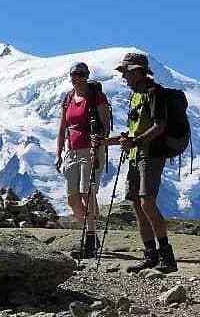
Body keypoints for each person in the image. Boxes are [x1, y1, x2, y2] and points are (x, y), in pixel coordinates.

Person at [102, 52, 177, 273]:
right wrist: (113, 141)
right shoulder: (135, 96)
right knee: (137, 205)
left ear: (136, 71)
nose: (124, 77)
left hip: (151, 155)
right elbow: (136, 128)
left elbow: (159, 126)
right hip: (136, 156)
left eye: (126, 72)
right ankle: (150, 255)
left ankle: (167, 256)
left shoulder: (154, 93)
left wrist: (136, 141)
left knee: (147, 203)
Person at [56, 62, 111, 259]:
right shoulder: (69, 97)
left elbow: (105, 124)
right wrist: (59, 152)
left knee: (86, 192)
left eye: (81, 74)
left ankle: (89, 238)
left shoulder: (96, 96)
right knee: (72, 198)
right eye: (74, 74)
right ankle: (92, 233)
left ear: (87, 76)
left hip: (91, 150)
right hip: (72, 151)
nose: (77, 77)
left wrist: (100, 141)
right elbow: (63, 126)